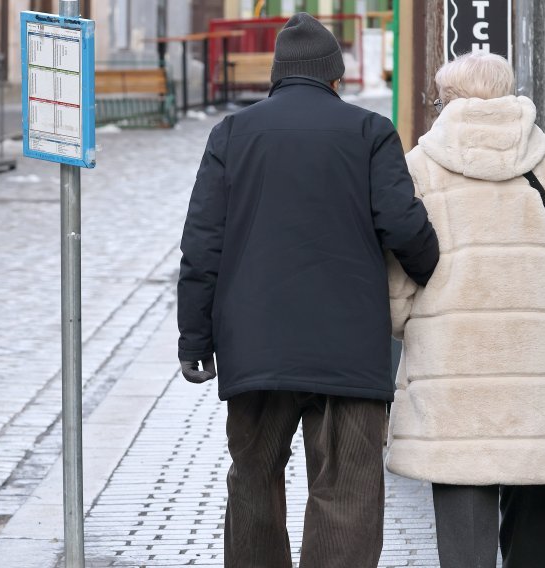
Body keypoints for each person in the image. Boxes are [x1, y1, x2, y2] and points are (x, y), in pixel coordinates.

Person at [177, 12, 439, 568]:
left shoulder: (231, 134)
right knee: (346, 490)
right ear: (334, 77)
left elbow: (202, 245)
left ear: (276, 75)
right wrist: (429, 267)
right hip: (347, 348)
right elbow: (402, 223)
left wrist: (194, 337)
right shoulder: (370, 132)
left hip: (255, 344)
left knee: (253, 480)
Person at [386, 52, 545, 568]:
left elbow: (401, 261)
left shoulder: (421, 165)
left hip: (451, 364)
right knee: (530, 503)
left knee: (462, 494)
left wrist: (399, 319)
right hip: (535, 368)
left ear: (448, 100)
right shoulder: (544, 163)